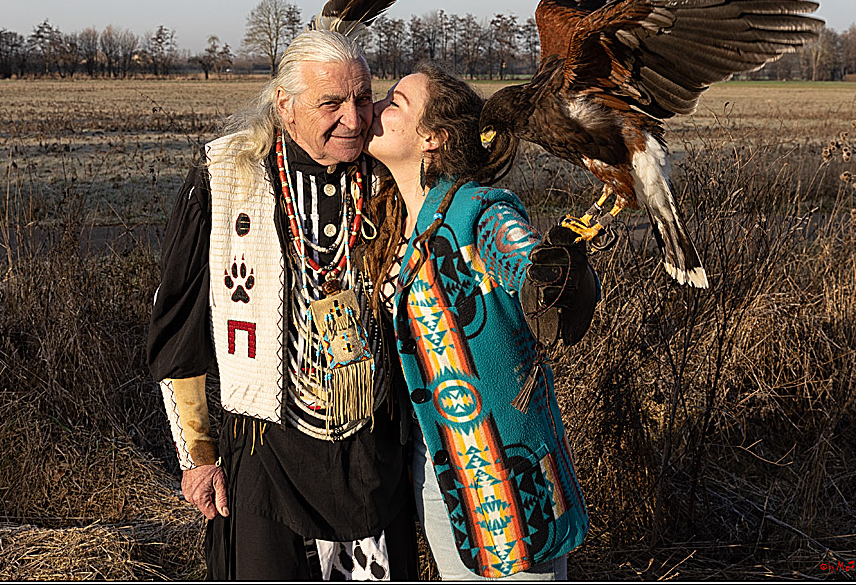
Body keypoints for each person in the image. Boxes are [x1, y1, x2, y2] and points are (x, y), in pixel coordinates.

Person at [146, 29, 417, 580]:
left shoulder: (391, 175)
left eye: (363, 98)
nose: (355, 118)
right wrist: (198, 457)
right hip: (268, 451)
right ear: (285, 106)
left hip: (372, 455)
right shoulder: (225, 179)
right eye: (331, 103)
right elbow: (181, 332)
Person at [357, 62, 599, 580]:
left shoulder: (479, 208)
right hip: (437, 475)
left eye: (395, 104)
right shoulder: (395, 221)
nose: (377, 108)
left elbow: (519, 255)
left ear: (433, 139)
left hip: (507, 483)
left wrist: (548, 276)